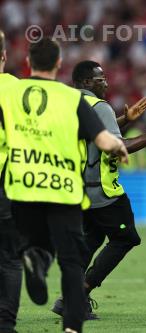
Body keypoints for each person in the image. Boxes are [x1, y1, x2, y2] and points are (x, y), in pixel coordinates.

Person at [0, 38, 128, 333]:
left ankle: (38, 259)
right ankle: (72, 327)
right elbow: (102, 137)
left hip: (22, 186)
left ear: (29, 63)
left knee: (33, 243)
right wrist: (117, 147)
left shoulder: (11, 90)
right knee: (71, 260)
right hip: (63, 188)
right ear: (59, 64)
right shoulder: (72, 99)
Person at [51, 60, 146, 319]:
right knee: (125, 238)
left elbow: (94, 136)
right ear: (86, 82)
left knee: (91, 239)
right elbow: (117, 147)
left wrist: (124, 120)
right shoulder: (100, 106)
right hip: (103, 192)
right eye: (99, 77)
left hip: (76, 190)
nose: (105, 81)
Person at [0, 29, 22, 333]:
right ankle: (5, 325)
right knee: (9, 258)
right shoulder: (17, 89)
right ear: (4, 55)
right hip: (7, 182)